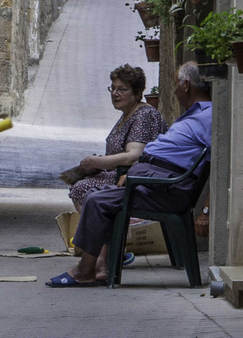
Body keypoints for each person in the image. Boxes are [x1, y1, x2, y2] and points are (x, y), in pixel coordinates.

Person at [47, 61, 211, 287]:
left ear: (185, 85)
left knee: (95, 199)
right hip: (151, 181)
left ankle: (87, 269)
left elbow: (221, 159)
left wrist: (206, 210)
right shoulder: (191, 116)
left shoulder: (206, 117)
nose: (172, 91)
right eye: (113, 88)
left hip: (164, 187)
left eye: (175, 85)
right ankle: (96, 262)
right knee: (96, 193)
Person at [66, 63, 166, 216]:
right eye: (113, 88)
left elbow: (134, 155)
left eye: (122, 89)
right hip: (120, 174)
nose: (115, 93)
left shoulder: (144, 115)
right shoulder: (127, 115)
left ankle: (100, 237)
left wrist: (96, 162)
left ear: (137, 93)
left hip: (134, 178)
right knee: (77, 182)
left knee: (81, 188)